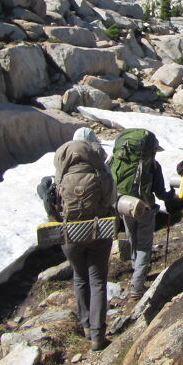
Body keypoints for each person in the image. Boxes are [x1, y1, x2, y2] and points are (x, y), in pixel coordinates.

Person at [54, 127, 115, 351]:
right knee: (97, 281)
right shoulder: (101, 169)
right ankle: (98, 335)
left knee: (79, 277)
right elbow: (111, 198)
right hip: (98, 230)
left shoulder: (61, 169)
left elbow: (54, 202)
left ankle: (86, 326)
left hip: (70, 233)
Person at [109, 129, 176, 301]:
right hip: (145, 207)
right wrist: (171, 195)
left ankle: (136, 270)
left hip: (124, 204)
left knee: (132, 238)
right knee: (144, 245)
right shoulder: (153, 165)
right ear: (152, 149)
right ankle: (137, 286)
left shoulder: (121, 159)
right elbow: (160, 193)